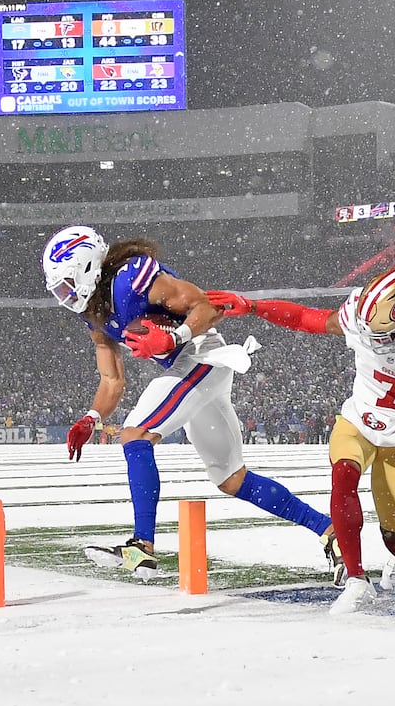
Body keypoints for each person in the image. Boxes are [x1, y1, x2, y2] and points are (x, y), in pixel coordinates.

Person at [40, 225, 341, 579]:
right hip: (191, 367)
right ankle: (329, 530)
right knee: (231, 479)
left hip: (200, 354)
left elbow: (208, 307)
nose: (65, 294)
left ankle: (141, 546)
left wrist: (172, 338)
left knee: (136, 436)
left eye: (67, 283)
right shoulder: (94, 311)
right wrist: (91, 417)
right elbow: (112, 379)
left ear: (89, 266)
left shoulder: (130, 278)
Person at [207, 267, 395, 615]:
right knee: (344, 475)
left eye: (381, 335)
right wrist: (252, 306)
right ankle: (356, 579)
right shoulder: (360, 319)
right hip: (356, 421)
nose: (370, 339)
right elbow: (306, 317)